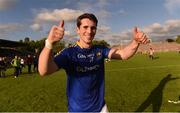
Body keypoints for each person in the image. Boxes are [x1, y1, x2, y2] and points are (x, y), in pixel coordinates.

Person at [38, 13, 150, 112]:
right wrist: (49, 43)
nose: (89, 31)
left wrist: (136, 42)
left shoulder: (100, 50)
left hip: (101, 109)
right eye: (85, 27)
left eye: (93, 28)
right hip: (77, 111)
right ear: (78, 29)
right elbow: (43, 71)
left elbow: (124, 54)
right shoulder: (69, 53)